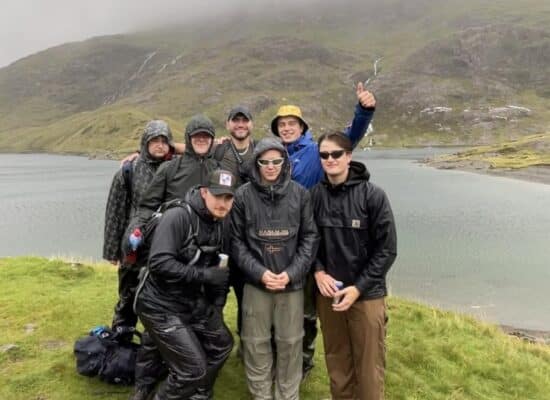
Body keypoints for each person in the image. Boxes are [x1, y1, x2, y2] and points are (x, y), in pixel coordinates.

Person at [270, 82, 376, 376]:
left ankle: (303, 360)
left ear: (302, 127)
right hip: (275, 242)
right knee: (274, 303)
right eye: (282, 124)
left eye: (292, 123)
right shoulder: (270, 155)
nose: (287, 128)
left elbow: (349, 138)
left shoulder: (317, 152)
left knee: (305, 308)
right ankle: (275, 355)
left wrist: (364, 110)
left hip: (305, 241)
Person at [126, 114, 220, 400]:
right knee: (155, 328)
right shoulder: (170, 168)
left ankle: (192, 378)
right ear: (189, 140)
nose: (201, 140)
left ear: (212, 140)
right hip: (167, 255)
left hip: (203, 259)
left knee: (192, 319)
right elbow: (146, 206)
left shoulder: (220, 169)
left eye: (207, 136)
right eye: (196, 136)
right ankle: (144, 384)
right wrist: (134, 234)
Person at [135, 169, 237, 400]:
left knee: (222, 344)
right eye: (217, 195)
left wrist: (217, 306)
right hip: (158, 304)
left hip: (190, 301)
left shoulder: (222, 223)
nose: (223, 203)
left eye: (228, 197)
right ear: (204, 192)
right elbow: (159, 262)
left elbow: (221, 269)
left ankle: (199, 395)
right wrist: (203, 276)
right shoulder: (179, 217)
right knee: (192, 369)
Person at [230, 137, 319, 400]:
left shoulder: (300, 195)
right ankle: (261, 395)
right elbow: (236, 242)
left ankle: (287, 395)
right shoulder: (242, 196)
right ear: (257, 164)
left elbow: (310, 238)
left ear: (284, 162)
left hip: (291, 285)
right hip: (256, 284)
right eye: (264, 162)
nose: (270, 166)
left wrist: (291, 273)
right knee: (255, 344)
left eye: (276, 161)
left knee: (291, 343)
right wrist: (259, 273)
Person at [310, 132, 397, 400]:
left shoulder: (373, 196)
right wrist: (318, 271)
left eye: (336, 154)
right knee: (337, 363)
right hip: (329, 295)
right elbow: (308, 241)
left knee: (369, 367)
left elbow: (387, 250)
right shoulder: (313, 196)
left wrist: (358, 289)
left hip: (366, 296)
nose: (330, 159)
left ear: (349, 156)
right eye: (324, 155)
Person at [102, 120, 174, 332]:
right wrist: (112, 251)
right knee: (128, 299)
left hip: (164, 247)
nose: (160, 145)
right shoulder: (129, 171)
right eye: (155, 140)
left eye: (164, 141)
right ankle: (121, 340)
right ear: (145, 142)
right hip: (133, 247)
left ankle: (157, 346)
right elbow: (115, 212)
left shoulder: (175, 168)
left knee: (161, 301)